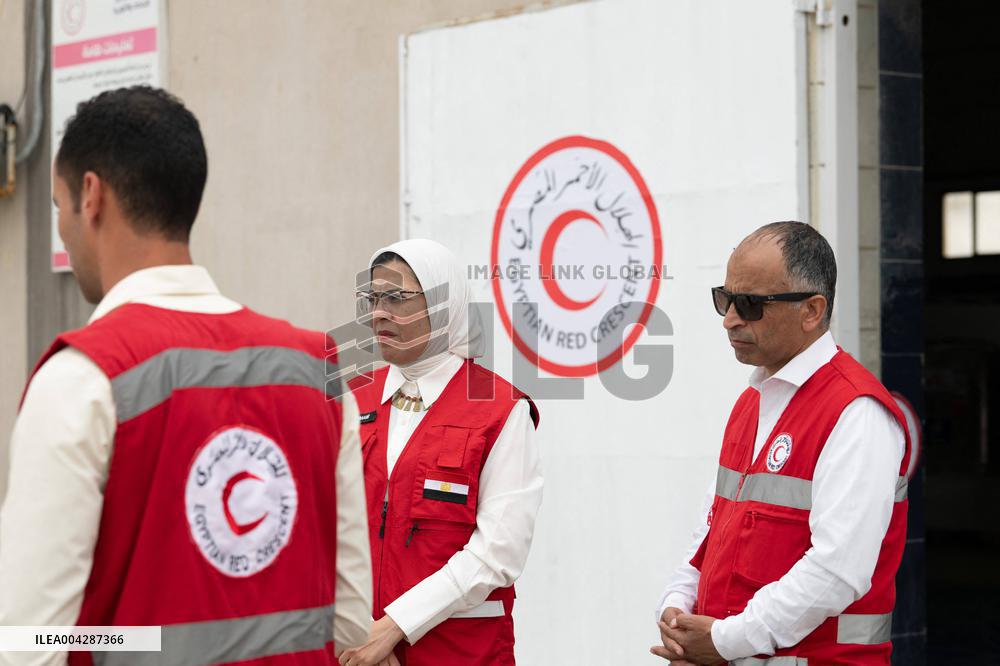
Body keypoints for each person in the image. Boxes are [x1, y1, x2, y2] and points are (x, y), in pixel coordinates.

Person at [0, 86, 372, 665]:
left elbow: (31, 648)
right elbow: (349, 622)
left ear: (91, 196)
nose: (65, 232)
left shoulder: (84, 376)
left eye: (57, 205)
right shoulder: (317, 370)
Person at [652, 222, 910, 665]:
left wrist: (724, 641)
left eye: (750, 304)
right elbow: (714, 528)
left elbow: (836, 571)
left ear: (812, 311)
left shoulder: (856, 412)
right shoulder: (752, 403)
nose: (730, 318)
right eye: (725, 299)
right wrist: (678, 604)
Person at [339, 239, 543, 666]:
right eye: (373, 297)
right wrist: (355, 634)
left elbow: (498, 553)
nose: (379, 312)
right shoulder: (351, 400)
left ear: (443, 303)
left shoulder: (500, 409)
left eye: (397, 298)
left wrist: (393, 627)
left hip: (459, 654)